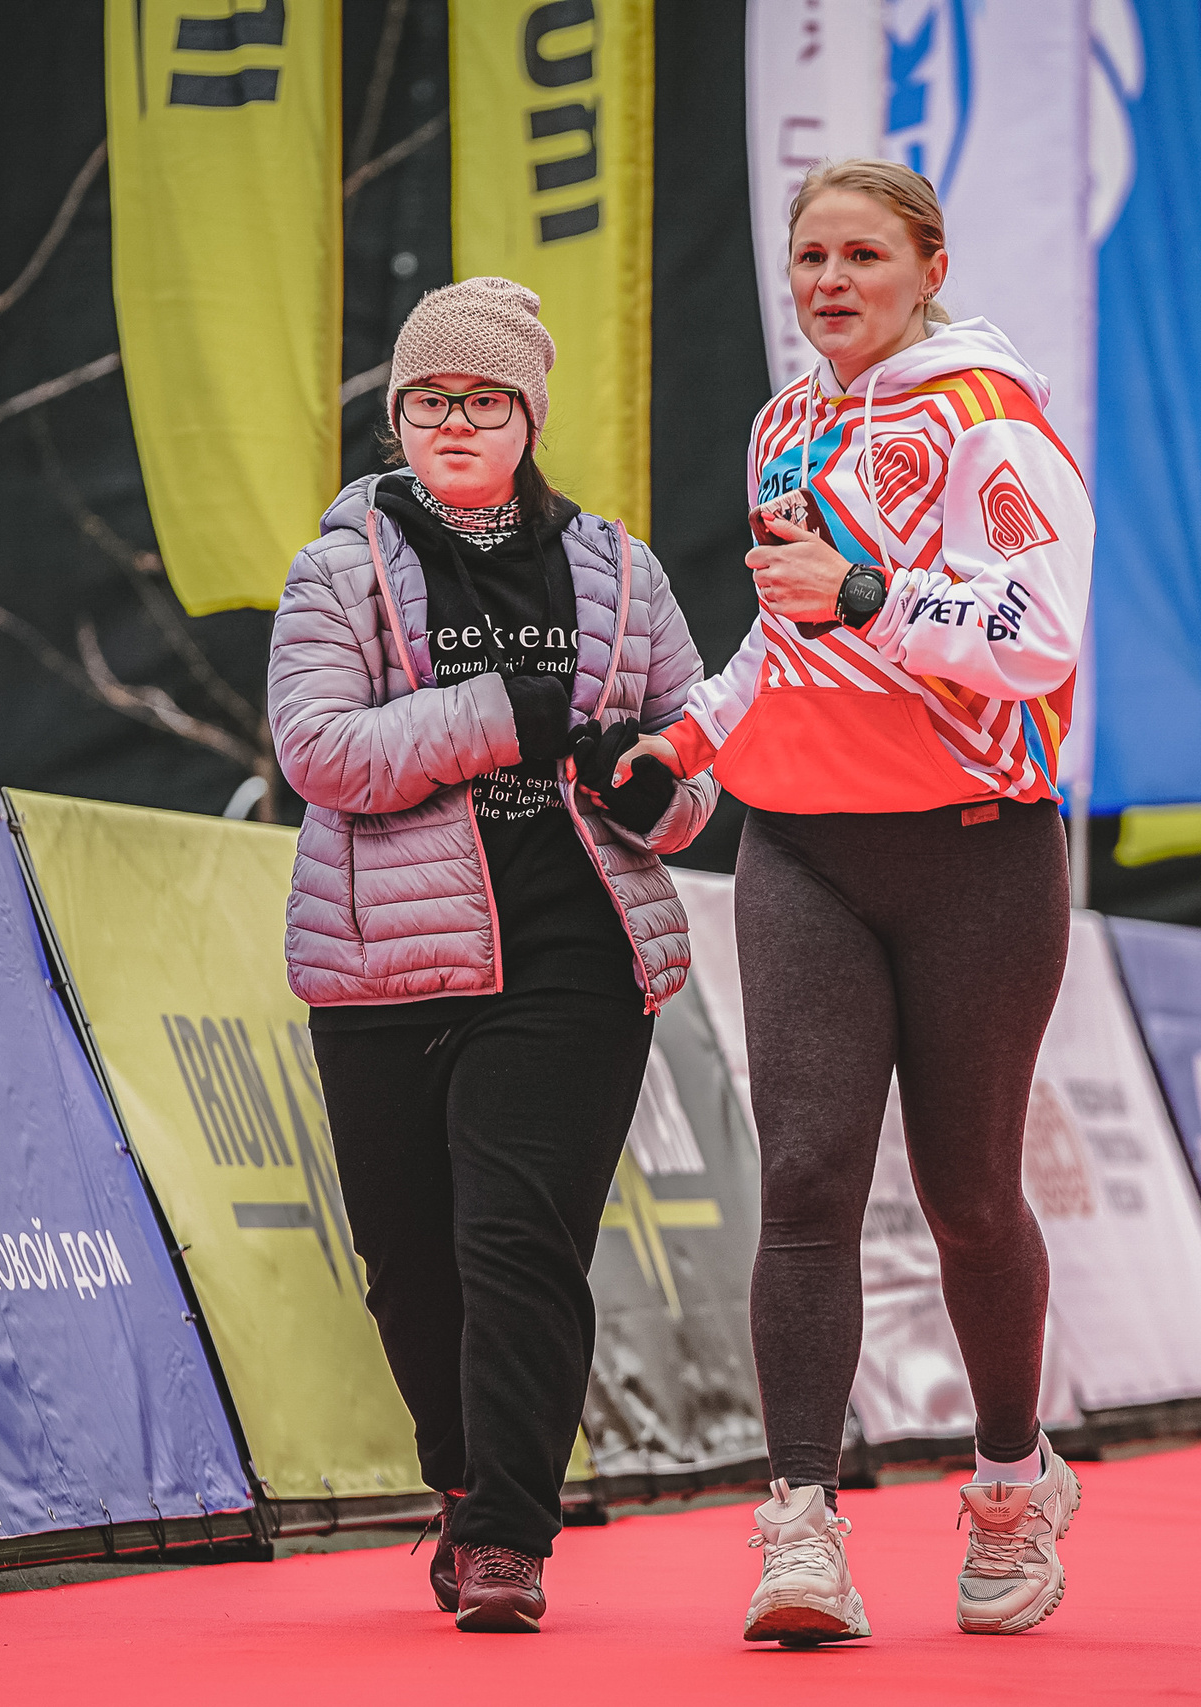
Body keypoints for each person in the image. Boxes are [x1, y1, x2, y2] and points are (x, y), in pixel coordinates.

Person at [624, 159, 1094, 1643]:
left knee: (966, 1196)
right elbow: (785, 637)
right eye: (809, 256)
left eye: (862, 256)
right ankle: (801, 1526)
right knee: (811, 1177)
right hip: (805, 848)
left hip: (978, 854)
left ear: (927, 262)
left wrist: (877, 593)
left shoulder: (989, 416)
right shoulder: (785, 425)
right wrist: (685, 736)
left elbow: (1040, 629)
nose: (830, 282)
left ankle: (1013, 1489)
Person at [267, 276, 716, 1634]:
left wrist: (660, 795)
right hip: (387, 964)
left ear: (527, 414)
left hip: (573, 955)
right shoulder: (339, 567)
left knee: (518, 1244)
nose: (453, 420)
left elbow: (694, 751)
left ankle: (513, 1538)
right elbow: (319, 751)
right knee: (412, 1263)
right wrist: (505, 714)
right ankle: (463, 1488)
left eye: (480, 399)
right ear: (399, 415)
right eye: (428, 399)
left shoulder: (621, 571)